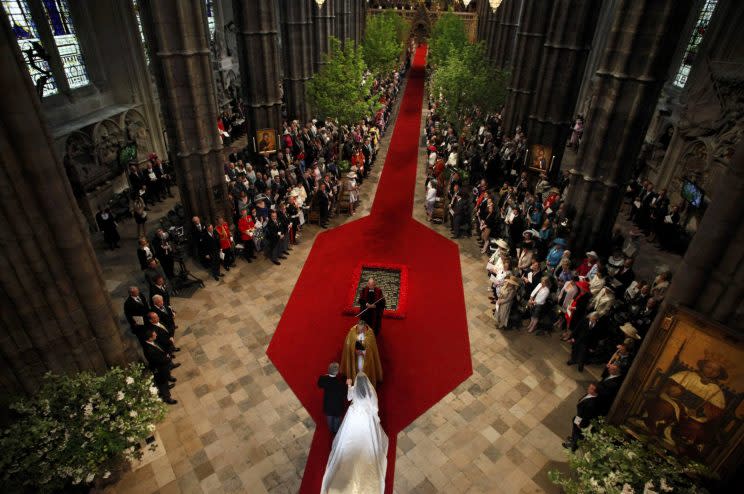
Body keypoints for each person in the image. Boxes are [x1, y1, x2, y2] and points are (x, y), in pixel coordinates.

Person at [320, 373, 389, 494]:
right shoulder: (370, 394)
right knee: (368, 441)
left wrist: (350, 385)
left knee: (347, 440)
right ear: (367, 385)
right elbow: (374, 407)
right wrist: (375, 418)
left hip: (354, 415)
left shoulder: (354, 390)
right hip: (366, 417)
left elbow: (348, 398)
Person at [340, 320, 383, 388]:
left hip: (365, 358)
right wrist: (354, 350)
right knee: (357, 369)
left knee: (363, 370)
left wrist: (363, 352)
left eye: (362, 329)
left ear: (365, 327)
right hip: (355, 357)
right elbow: (348, 345)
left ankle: (365, 383)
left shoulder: (370, 333)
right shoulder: (352, 331)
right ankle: (356, 382)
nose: (360, 331)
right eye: (359, 329)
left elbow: (371, 348)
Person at [141, 329, 178, 405]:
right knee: (162, 383)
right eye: (154, 335)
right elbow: (157, 360)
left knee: (166, 377)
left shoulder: (152, 341)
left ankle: (168, 385)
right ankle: (167, 398)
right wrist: (167, 358)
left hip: (163, 364)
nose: (156, 335)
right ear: (150, 338)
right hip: (159, 368)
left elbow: (160, 348)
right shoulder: (148, 349)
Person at [562, 382, 600, 451]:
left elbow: (586, 416)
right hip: (579, 416)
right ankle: (573, 439)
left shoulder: (591, 404)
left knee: (577, 432)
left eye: (591, 388)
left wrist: (580, 424)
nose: (588, 388)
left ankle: (573, 446)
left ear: (595, 392)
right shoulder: (590, 394)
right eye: (589, 387)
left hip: (581, 420)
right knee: (575, 428)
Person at [317, 362, 346, 435]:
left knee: (329, 418)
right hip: (337, 406)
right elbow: (345, 394)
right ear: (337, 372)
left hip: (328, 404)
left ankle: (331, 429)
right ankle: (336, 431)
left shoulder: (323, 379)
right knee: (337, 419)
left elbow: (319, 384)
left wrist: (327, 376)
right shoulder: (340, 383)